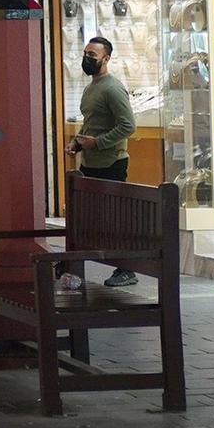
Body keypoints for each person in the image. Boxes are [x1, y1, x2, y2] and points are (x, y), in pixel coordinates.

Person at [70, 33, 139, 290]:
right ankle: (71, 263)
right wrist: (78, 143)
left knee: (114, 218)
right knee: (88, 218)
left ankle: (126, 268)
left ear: (106, 59)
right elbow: (92, 124)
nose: (87, 59)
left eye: (92, 55)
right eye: (85, 54)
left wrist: (98, 143)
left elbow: (128, 125)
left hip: (111, 163)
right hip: (90, 162)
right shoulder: (91, 87)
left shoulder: (112, 88)